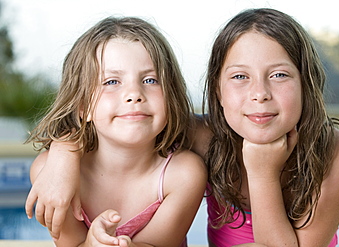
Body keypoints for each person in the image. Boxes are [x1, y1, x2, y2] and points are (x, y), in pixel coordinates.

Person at [26, 8, 339, 247]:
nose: (260, 94)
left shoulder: (337, 154)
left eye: (280, 75)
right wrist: (63, 152)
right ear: (217, 89)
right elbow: (117, 126)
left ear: (308, 83)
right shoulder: (205, 137)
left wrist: (260, 171)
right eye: (240, 77)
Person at [26, 16, 207, 247]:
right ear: (83, 107)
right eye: (111, 82)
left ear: (170, 97)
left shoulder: (183, 175)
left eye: (150, 80)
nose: (134, 93)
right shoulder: (50, 173)